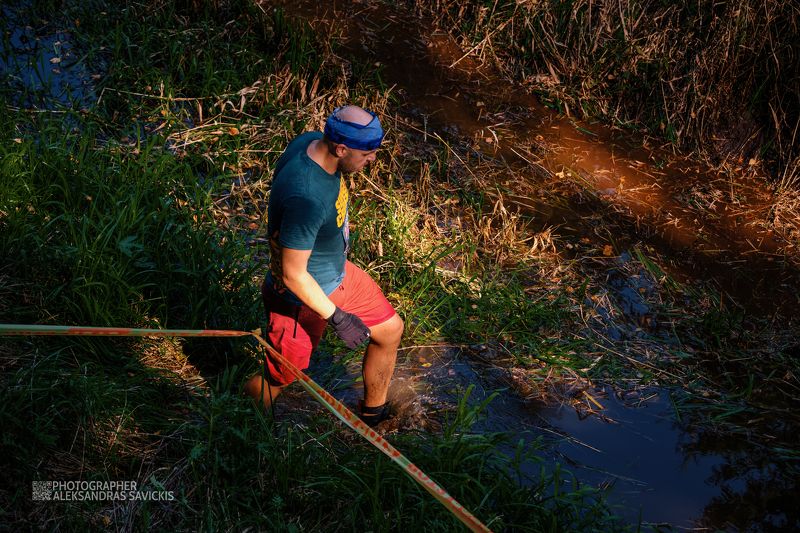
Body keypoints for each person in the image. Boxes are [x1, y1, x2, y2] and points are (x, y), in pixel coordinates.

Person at [245, 105, 403, 427]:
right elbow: (292, 274)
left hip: (338, 275)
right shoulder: (306, 196)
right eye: (367, 154)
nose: (372, 160)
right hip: (301, 300)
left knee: (389, 330)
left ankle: (373, 418)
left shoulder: (312, 141)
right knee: (280, 377)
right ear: (341, 148)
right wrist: (338, 318)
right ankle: (240, 422)